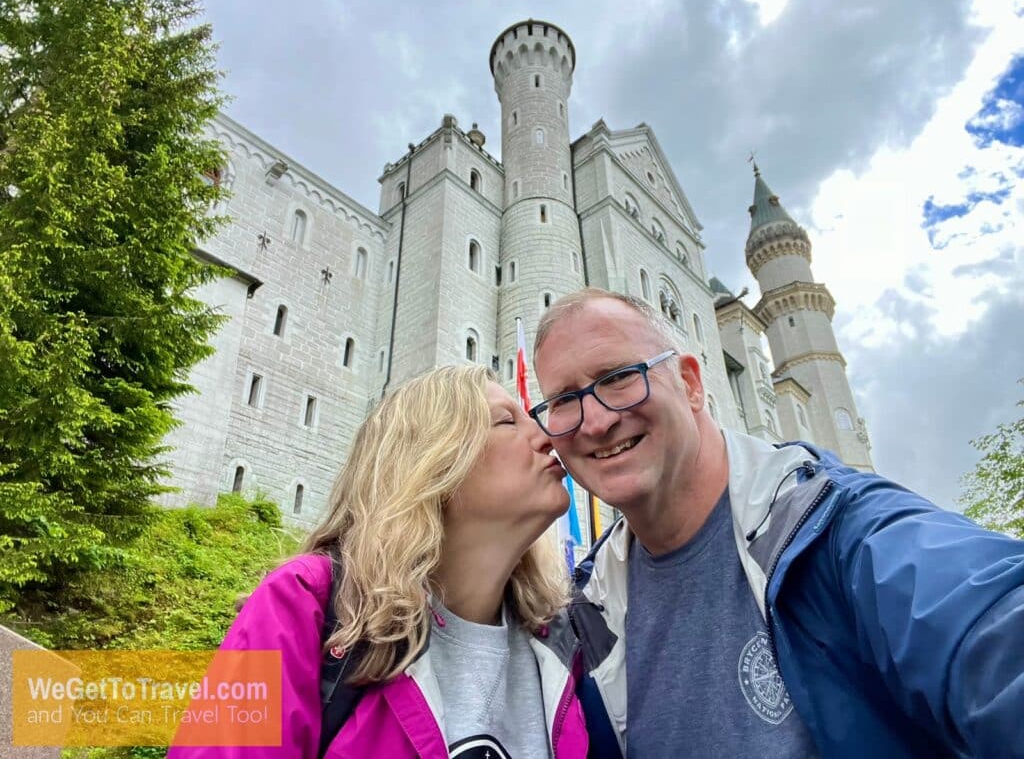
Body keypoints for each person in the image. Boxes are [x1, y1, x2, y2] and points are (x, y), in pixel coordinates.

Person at [529, 287, 1024, 759]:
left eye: (618, 376)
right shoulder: (586, 615)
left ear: (691, 384)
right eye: (565, 400)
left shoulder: (836, 527)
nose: (595, 422)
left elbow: (988, 622)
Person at [168, 365, 588, 758]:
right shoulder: (305, 605)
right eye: (507, 421)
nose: (549, 435)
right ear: (429, 462)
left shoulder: (561, 643)